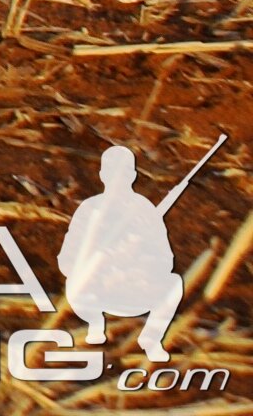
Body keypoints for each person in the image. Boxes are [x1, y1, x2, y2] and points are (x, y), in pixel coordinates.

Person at [60, 145, 184, 361]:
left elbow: (166, 261)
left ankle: (152, 337)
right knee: (74, 281)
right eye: (113, 173)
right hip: (96, 291)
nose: (118, 180)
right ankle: (95, 325)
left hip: (136, 288)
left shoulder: (145, 211)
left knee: (174, 283)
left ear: (133, 175)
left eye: (123, 173)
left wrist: (138, 258)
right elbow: (67, 261)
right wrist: (98, 261)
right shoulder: (91, 209)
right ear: (102, 175)